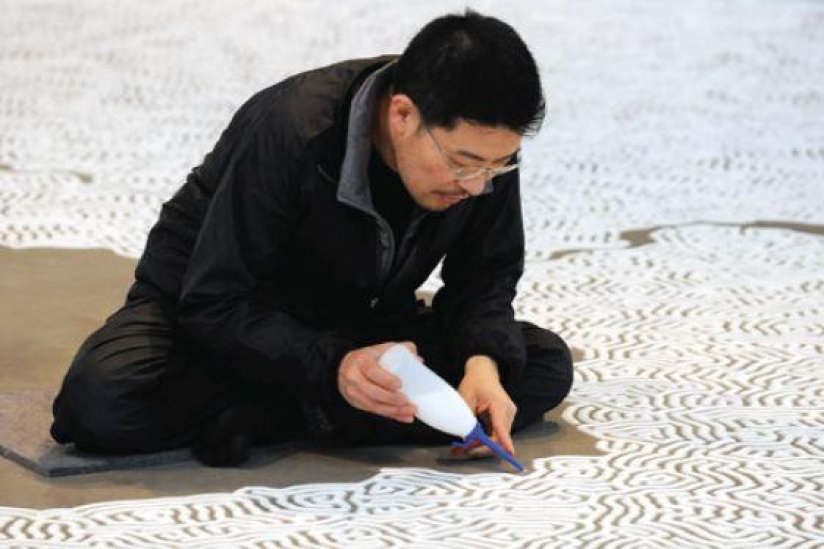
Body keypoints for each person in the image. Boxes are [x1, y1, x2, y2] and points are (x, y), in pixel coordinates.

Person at [50, 10, 573, 467]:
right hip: (217, 314)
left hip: (357, 320)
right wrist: (333, 367)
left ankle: (273, 413)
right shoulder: (290, 129)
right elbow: (215, 300)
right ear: (403, 115)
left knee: (542, 364)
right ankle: (316, 407)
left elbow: (486, 274)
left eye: (498, 166)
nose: (478, 185)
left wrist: (483, 364)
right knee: (103, 400)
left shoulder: (485, 158)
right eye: (463, 164)